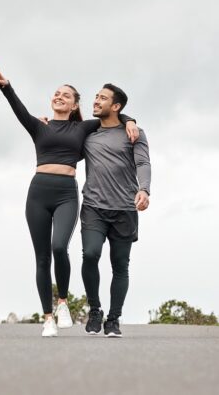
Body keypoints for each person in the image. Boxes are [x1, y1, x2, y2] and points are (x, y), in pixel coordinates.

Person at [0, 66, 138, 337]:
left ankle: (63, 302)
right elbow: (17, 109)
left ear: (75, 104)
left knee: (60, 247)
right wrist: (6, 86)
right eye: (56, 93)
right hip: (38, 193)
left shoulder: (83, 127)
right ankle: (48, 318)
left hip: (66, 193)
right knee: (42, 256)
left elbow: (111, 116)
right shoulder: (38, 125)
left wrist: (130, 120)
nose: (59, 97)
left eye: (66, 95)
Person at [79, 84, 151, 337]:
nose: (96, 101)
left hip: (124, 208)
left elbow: (142, 162)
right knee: (90, 254)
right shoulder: (88, 133)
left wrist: (144, 189)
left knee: (120, 265)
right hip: (93, 206)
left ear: (116, 106)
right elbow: (63, 135)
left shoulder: (135, 133)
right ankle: (95, 310)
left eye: (102, 98)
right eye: (96, 96)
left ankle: (113, 319)